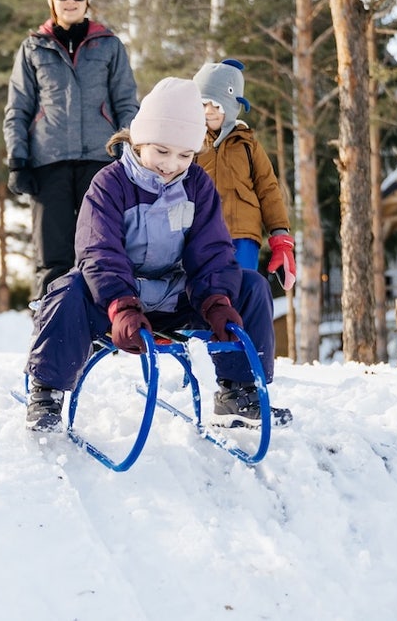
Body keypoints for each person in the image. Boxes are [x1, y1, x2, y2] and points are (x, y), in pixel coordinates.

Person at [21, 77, 291, 432]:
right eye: (162, 151)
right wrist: (121, 305)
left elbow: (211, 249)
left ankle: (238, 393)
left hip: (175, 296)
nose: (171, 164)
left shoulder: (196, 185)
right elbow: (99, 250)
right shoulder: (110, 183)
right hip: (117, 299)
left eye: (185, 155)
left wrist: (217, 300)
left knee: (252, 287)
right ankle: (47, 392)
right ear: (138, 140)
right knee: (66, 289)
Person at [3, 0, 139, 300]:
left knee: (100, 246)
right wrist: (18, 160)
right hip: (48, 163)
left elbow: (126, 103)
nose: (70, 0)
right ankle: (51, 326)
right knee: (53, 256)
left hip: (100, 161)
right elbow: (18, 107)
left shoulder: (109, 45)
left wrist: (128, 151)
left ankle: (100, 325)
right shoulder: (33, 46)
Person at [192, 59, 296, 289]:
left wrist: (280, 238)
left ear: (231, 104)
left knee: (240, 290)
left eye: (215, 105)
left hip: (243, 236)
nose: (208, 111)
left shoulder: (248, 145)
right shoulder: (191, 144)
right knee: (202, 292)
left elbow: (269, 189)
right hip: (202, 233)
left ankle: (241, 324)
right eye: (203, 104)